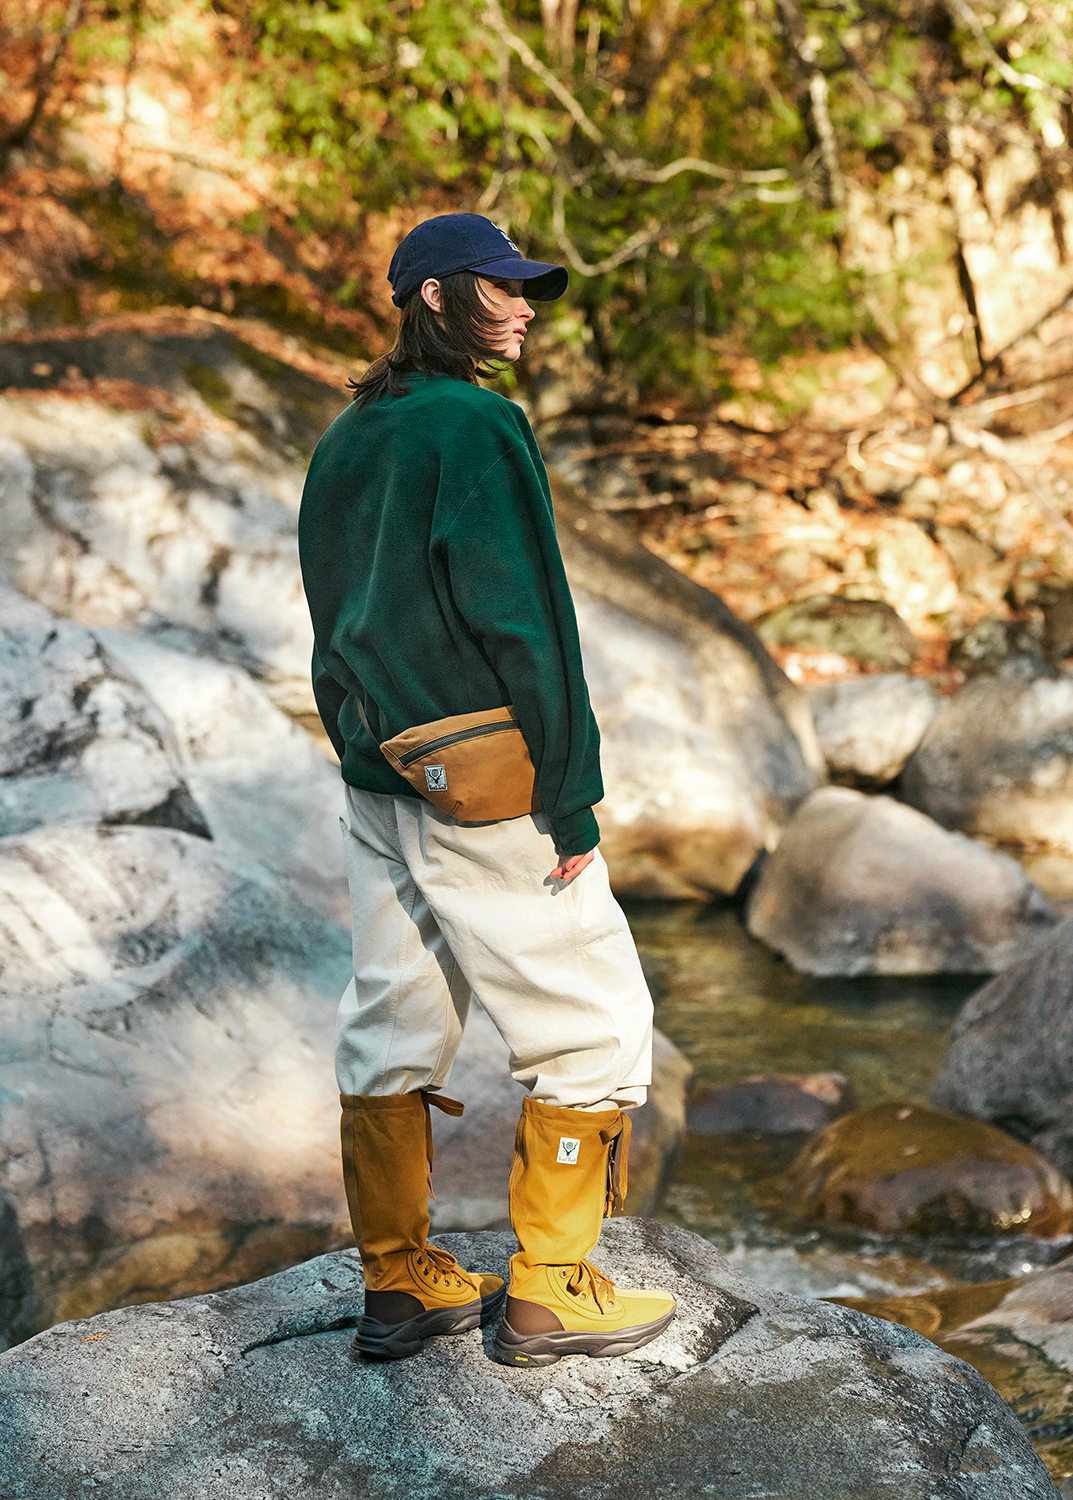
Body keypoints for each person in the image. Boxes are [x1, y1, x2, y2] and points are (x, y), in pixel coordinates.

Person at [298, 212, 675, 1367]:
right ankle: (550, 1291)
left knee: (391, 1019)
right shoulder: (476, 425)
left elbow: (331, 620)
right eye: (497, 287)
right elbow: (527, 622)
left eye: (526, 291)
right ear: (430, 295)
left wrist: (362, 744)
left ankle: (397, 1280)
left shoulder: (348, 437)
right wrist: (571, 793)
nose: (520, 309)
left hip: (382, 775)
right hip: (489, 782)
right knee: (595, 1027)